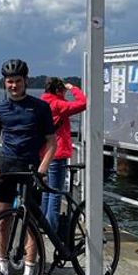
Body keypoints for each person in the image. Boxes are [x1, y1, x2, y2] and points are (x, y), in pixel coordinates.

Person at [0, 58, 56, 275]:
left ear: (26, 81)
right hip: (6, 168)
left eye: (17, 81)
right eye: (9, 82)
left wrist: (43, 169)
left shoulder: (40, 107)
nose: (13, 86)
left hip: (31, 169)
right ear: (4, 83)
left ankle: (29, 273)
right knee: (2, 220)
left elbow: (51, 142)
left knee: (31, 223)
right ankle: (4, 269)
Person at [40, 77, 87, 237]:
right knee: (56, 193)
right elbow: (82, 103)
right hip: (57, 153)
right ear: (58, 90)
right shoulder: (58, 104)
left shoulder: (42, 102)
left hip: (44, 152)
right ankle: (51, 230)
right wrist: (74, 88)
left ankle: (42, 225)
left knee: (46, 191)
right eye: (64, 91)